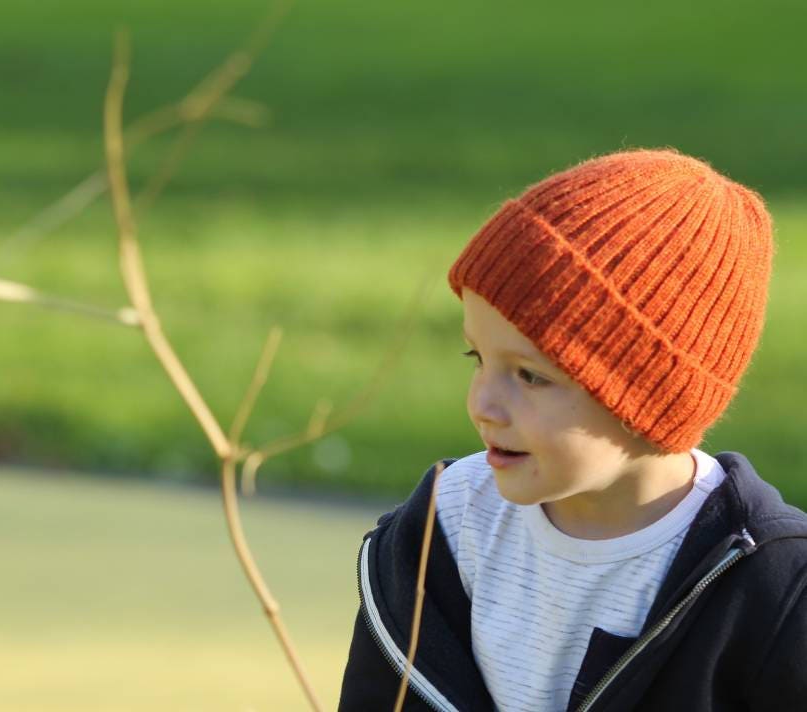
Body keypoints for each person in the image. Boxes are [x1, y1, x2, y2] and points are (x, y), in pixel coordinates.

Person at [338, 149, 807, 711]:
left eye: (531, 376)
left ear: (651, 394)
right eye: (476, 356)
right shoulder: (440, 531)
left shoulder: (771, 587)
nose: (482, 403)